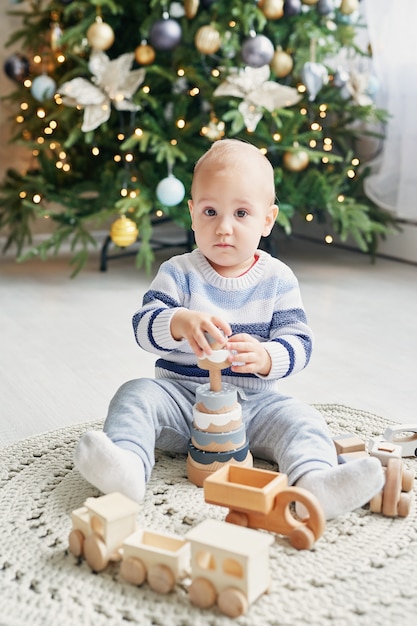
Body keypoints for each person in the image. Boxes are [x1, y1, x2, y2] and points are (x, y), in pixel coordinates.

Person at [74, 139, 384, 519]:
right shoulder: (179, 272)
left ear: (267, 220)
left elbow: (299, 342)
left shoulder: (277, 279)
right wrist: (178, 322)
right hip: (181, 401)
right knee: (135, 394)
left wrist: (266, 356)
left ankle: (315, 484)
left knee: (304, 420)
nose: (223, 228)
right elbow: (142, 326)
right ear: (191, 213)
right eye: (210, 211)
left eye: (240, 213)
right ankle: (127, 468)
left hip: (253, 408)